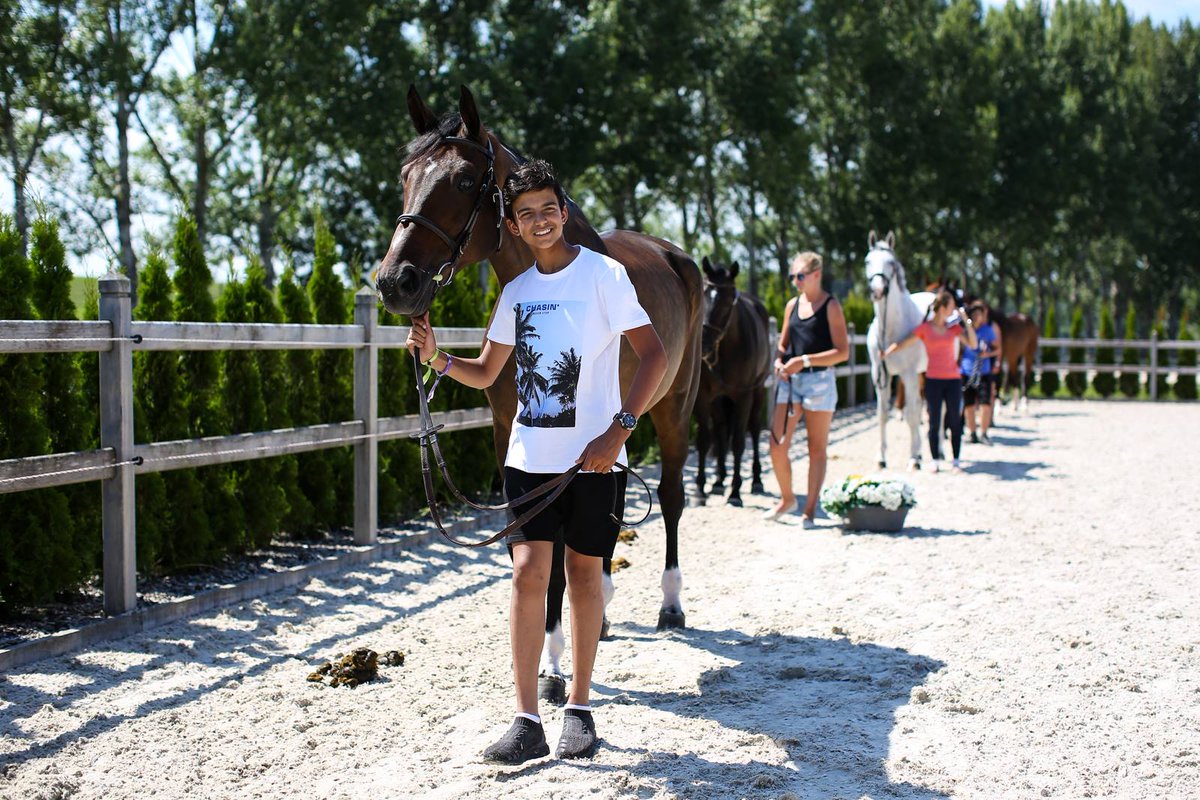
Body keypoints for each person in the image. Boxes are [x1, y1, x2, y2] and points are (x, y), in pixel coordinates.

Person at [404, 159, 667, 764]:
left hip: (595, 461)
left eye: (549, 208)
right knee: (527, 577)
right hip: (528, 459)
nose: (540, 220)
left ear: (564, 212)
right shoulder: (515, 293)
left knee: (583, 576)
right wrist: (437, 357)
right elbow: (488, 373)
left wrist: (620, 429)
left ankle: (578, 706)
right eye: (527, 215)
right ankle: (526, 720)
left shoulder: (605, 275)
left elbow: (650, 357)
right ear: (515, 228)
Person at [765, 252, 849, 527]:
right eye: (793, 276)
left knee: (817, 448)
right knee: (776, 445)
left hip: (819, 382)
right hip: (790, 382)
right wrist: (779, 359)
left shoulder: (831, 306)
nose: (795, 281)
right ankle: (787, 498)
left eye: (800, 275)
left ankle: (809, 510)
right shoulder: (792, 305)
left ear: (816, 274)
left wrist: (806, 361)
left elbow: (842, 352)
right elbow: (783, 342)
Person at [884, 290, 977, 472]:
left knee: (954, 420)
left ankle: (956, 460)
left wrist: (966, 320)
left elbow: (973, 343)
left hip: (953, 380)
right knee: (933, 421)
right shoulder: (925, 328)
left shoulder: (954, 328)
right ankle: (935, 460)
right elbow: (904, 342)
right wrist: (887, 352)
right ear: (942, 307)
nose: (954, 310)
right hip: (933, 380)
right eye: (951, 306)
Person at [961, 301, 1002, 444]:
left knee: (985, 403)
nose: (980, 317)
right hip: (967, 370)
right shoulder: (965, 330)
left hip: (983, 371)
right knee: (969, 404)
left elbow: (998, 348)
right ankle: (972, 433)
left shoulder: (988, 330)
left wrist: (989, 355)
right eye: (977, 314)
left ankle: (983, 433)